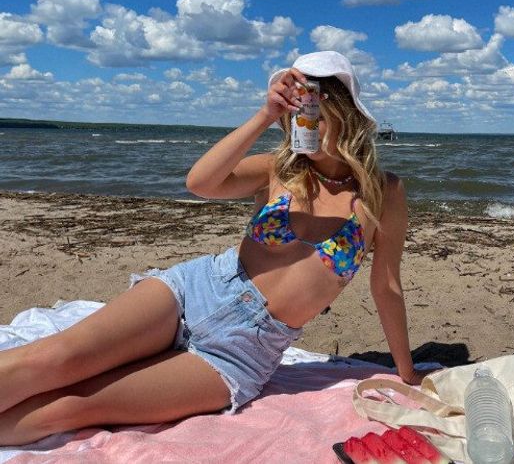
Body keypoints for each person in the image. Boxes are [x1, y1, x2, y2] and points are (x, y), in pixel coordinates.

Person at [0, 51, 414, 446]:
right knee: (56, 359)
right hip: (196, 290)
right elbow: (201, 183)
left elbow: (387, 286)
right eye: (296, 116)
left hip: (242, 352)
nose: (304, 127)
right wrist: (264, 115)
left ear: (348, 115)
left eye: (317, 117)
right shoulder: (278, 167)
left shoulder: (384, 192)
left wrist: (405, 372)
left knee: (74, 406)